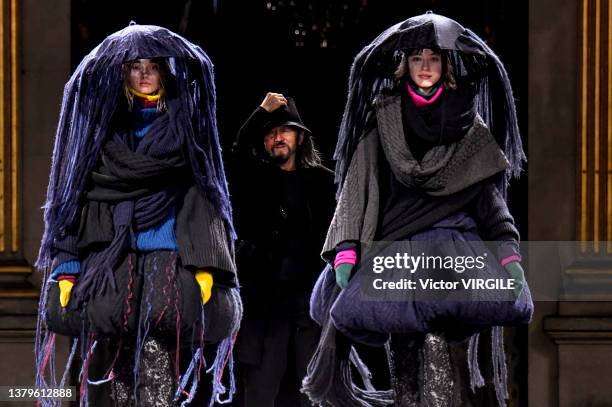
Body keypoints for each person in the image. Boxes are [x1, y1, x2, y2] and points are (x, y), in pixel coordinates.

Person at [303, 12, 533, 407]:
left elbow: (488, 200)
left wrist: (508, 255)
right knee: (407, 364)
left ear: (446, 67)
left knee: (436, 354)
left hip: (452, 255)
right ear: (404, 66)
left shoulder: (469, 130)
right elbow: (356, 191)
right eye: (416, 58)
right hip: (395, 254)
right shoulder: (381, 126)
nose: (425, 66)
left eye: (433, 58)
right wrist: (346, 251)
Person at [35, 24, 242, 406]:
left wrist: (208, 264)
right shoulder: (103, 132)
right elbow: (72, 197)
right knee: (110, 370)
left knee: (157, 370)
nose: (144, 73)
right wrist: (66, 266)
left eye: (152, 65)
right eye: (134, 66)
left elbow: (205, 194)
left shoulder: (185, 129)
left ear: (164, 70)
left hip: (170, 259)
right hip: (111, 261)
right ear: (123, 73)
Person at [230, 93, 336, 406]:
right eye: (270, 132)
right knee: (261, 386)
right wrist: (261, 111)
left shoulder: (324, 182)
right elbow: (237, 154)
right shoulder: (255, 177)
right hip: (266, 299)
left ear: (300, 137)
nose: (277, 137)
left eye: (284, 131)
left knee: (314, 387)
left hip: (311, 298)